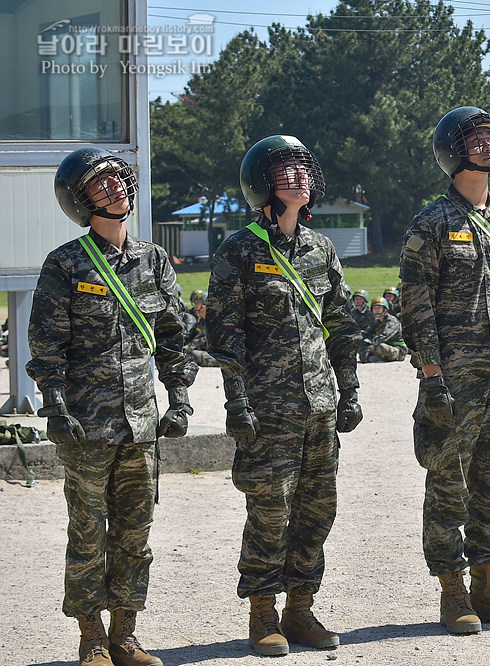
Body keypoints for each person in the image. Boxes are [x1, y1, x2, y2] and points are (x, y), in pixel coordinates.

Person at [27, 147, 198, 666]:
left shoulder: (153, 261)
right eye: (100, 186)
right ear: (80, 201)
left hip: (141, 425)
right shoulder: (65, 264)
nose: (116, 190)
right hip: (86, 426)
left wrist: (181, 397)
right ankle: (91, 638)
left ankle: (126, 633)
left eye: (118, 181)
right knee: (87, 531)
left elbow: (173, 337)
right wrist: (55, 407)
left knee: (136, 532)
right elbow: (47, 343)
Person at [206, 135, 363, 656]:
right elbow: (225, 339)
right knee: (270, 512)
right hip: (267, 412)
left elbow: (339, 326)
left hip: (319, 408)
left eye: (303, 169)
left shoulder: (321, 250)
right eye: (285, 171)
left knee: (318, 511)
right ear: (262, 185)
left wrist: (349, 390)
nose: (298, 177)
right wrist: (237, 403)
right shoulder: (240, 250)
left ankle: (300, 609)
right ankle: (263, 613)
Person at [399, 106, 490, 635]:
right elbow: (417, 304)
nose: (487, 145)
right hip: (453, 381)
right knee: (448, 485)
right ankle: (453, 592)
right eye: (475, 139)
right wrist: (430, 373)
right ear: (453, 151)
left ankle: (488, 585)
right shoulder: (432, 223)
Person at [359, 297, 407, 363]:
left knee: (381, 347)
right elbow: (367, 334)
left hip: (398, 349)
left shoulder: (392, 321)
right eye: (375, 308)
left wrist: (370, 346)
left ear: (385, 309)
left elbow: (384, 337)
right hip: (379, 345)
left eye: (379, 308)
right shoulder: (376, 321)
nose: (376, 310)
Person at [181, 289, 218, 367]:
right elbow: (190, 336)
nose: (195, 306)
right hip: (204, 351)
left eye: (197, 303)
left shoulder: (215, 321)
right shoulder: (201, 321)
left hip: (217, 355)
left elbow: (203, 339)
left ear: (205, 305)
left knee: (193, 354)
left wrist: (187, 348)